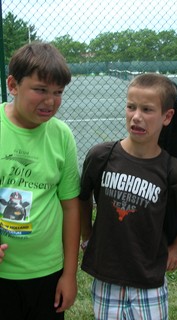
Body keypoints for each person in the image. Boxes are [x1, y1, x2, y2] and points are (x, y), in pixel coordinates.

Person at [79, 73, 177, 320]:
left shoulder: (174, 171)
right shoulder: (101, 156)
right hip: (106, 275)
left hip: (149, 277)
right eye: (131, 107)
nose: (136, 116)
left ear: (167, 116)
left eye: (147, 109)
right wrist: (87, 235)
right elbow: (83, 196)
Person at [0, 42, 80, 320]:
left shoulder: (61, 136)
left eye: (58, 92)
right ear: (13, 85)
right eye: (40, 90)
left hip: (47, 271)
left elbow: (71, 207)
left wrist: (69, 274)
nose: (50, 101)